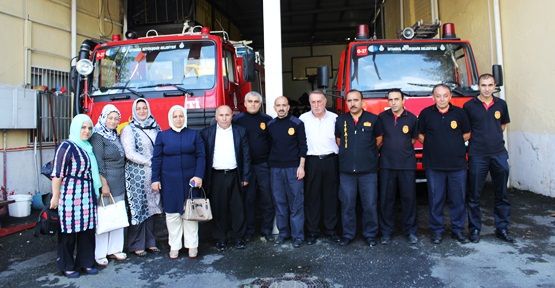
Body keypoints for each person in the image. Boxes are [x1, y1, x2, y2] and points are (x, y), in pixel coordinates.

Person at [463, 74, 513, 243]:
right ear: (478, 86)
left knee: (502, 194)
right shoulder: (469, 106)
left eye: (490, 85)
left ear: (494, 86)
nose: (487, 88)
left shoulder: (501, 104)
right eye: (483, 85)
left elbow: (502, 125)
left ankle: (502, 228)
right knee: (474, 195)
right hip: (477, 155)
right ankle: (475, 229)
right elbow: (466, 130)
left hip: (498, 154)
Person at [418, 84, 471, 244]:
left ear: (450, 97)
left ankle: (458, 230)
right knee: (436, 200)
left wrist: (452, 143)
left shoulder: (460, 113)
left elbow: (467, 134)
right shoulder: (426, 113)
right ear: (433, 97)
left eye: (445, 95)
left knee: (458, 200)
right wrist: (436, 144)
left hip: (457, 165)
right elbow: (420, 135)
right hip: (434, 166)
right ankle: (437, 231)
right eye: (438, 96)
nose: (441, 99)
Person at [50, 114, 101, 278]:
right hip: (70, 195)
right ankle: (67, 265)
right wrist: (55, 196)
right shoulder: (66, 146)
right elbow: (57, 174)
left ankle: (86, 263)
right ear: (75, 128)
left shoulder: (88, 147)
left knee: (87, 231)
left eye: (89, 128)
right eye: (83, 127)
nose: (87, 131)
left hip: (87, 194)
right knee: (69, 232)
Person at [151, 105, 205, 259]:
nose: (178, 119)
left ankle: (192, 245)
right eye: (175, 116)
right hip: (169, 181)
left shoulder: (194, 135)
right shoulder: (162, 136)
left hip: (191, 181)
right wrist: (155, 179)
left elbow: (201, 156)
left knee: (190, 213)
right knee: (172, 215)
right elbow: (157, 159)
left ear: (185, 117)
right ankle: (174, 246)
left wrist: (199, 176)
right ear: (170, 118)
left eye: (181, 116)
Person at [335, 89, 383, 247]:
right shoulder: (340, 120)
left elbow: (379, 140)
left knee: (369, 204)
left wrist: (365, 153)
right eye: (349, 101)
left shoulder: (374, 119)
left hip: (368, 171)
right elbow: (339, 140)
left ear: (362, 102)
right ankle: (348, 235)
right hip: (347, 171)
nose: (352, 103)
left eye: (356, 100)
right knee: (347, 204)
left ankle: (370, 235)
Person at [201, 105, 251, 251]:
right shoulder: (206, 133)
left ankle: (238, 238)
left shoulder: (240, 132)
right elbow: (203, 157)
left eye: (227, 115)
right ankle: (220, 238)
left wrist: (246, 176)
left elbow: (246, 156)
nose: (224, 118)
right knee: (219, 208)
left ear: (232, 116)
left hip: (235, 174)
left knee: (237, 208)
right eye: (221, 115)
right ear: (216, 117)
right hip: (216, 176)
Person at [121, 99, 162, 256]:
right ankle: (136, 244)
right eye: (138, 108)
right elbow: (129, 153)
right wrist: (150, 161)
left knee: (152, 208)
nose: (142, 111)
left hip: (153, 175)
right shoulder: (129, 129)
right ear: (134, 110)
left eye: (145, 108)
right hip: (136, 174)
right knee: (138, 209)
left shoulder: (155, 126)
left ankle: (151, 242)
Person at [377, 89, 418, 245]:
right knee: (386, 200)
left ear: (403, 100)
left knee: (409, 199)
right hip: (387, 165)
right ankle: (386, 232)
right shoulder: (381, 118)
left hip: (406, 165)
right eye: (390, 100)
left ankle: (411, 232)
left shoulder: (413, 119)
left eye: (396, 99)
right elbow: (379, 139)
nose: (393, 102)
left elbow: (413, 140)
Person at [233, 91, 275, 242]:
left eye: (256, 101)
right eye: (250, 101)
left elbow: (273, 143)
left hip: (264, 166)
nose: (253, 104)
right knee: (248, 200)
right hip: (246, 168)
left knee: (267, 199)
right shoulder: (237, 120)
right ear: (244, 103)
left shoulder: (268, 120)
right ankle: (249, 231)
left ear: (260, 103)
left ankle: (267, 230)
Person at [299, 90, 340, 245]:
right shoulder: (302, 119)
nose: (316, 105)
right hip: (312, 162)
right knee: (312, 197)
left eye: (319, 101)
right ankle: (312, 231)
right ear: (309, 103)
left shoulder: (335, 118)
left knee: (331, 197)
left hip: (331, 160)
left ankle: (331, 230)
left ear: (325, 102)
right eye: (313, 102)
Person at [267, 96, 307, 248]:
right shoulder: (270, 125)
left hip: (293, 169)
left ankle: (298, 236)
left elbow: (303, 146)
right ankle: (284, 234)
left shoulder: (297, 123)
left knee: (296, 203)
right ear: (274, 107)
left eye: (284, 105)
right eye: (278, 105)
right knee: (279, 202)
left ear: (289, 107)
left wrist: (301, 166)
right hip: (275, 169)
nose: (281, 108)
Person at [90, 104, 127, 265]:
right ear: (103, 118)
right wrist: (104, 184)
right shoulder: (98, 136)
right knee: (105, 217)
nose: (113, 121)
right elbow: (98, 163)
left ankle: (115, 250)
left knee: (117, 216)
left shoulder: (114, 135)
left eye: (116, 118)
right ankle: (100, 254)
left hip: (119, 181)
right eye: (110, 118)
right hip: (107, 182)